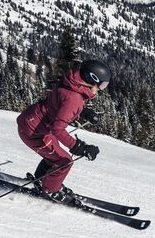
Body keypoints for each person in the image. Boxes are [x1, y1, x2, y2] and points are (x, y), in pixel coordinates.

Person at [16, 59, 111, 202]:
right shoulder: (75, 98)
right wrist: (79, 147)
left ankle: (43, 181)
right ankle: (49, 191)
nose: (100, 88)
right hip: (34, 131)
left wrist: (84, 112)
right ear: (92, 79)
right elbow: (58, 129)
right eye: (102, 85)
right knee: (64, 161)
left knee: (56, 154)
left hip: (32, 122)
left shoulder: (72, 83)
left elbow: (61, 101)